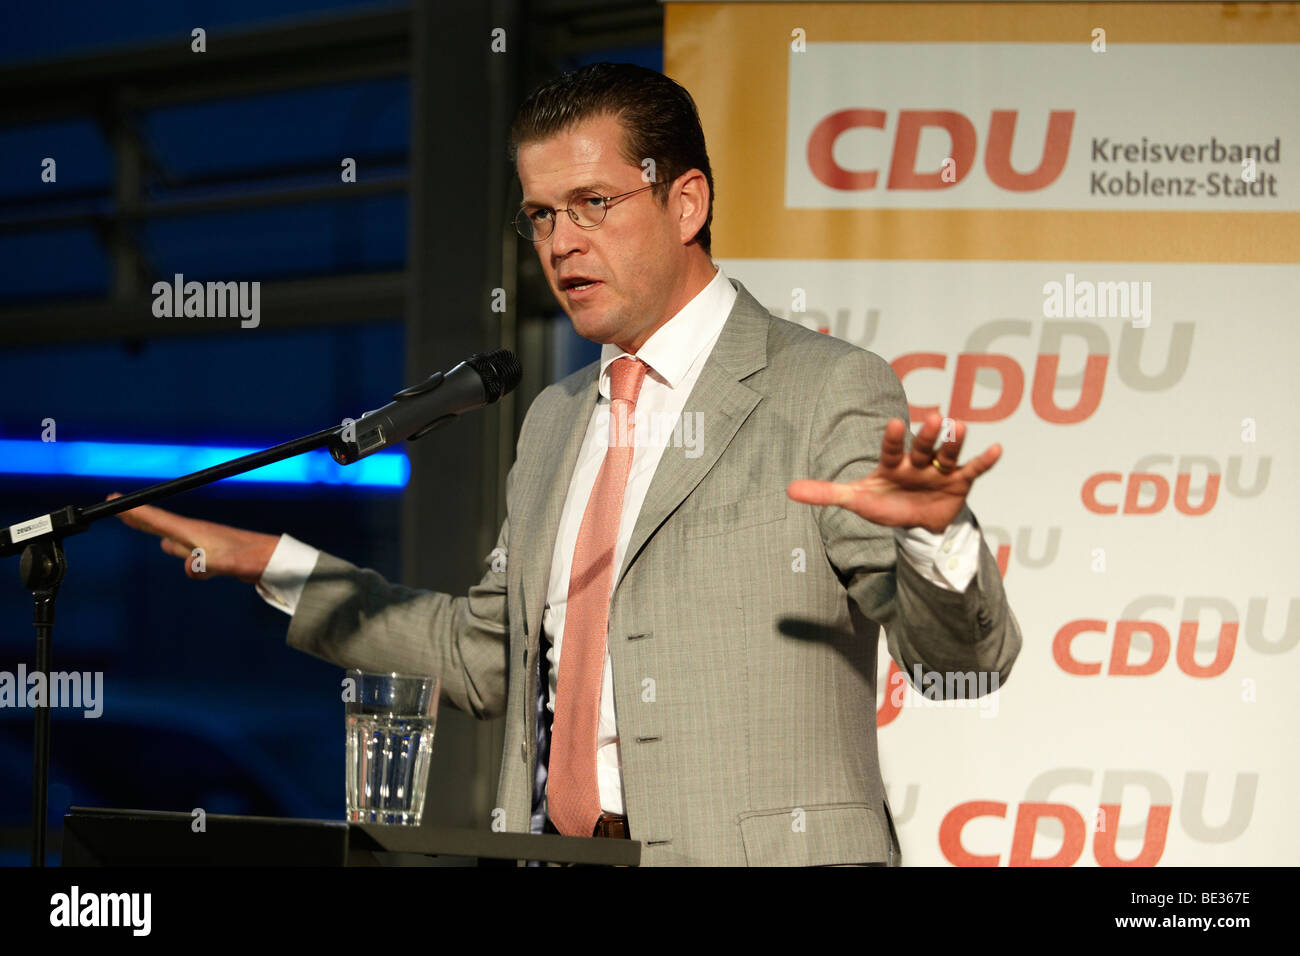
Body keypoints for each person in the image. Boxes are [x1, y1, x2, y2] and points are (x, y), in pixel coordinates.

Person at [113, 62, 1021, 866]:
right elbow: (481, 659)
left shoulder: (824, 387)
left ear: (687, 202)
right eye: (542, 214)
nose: (560, 242)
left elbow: (958, 663)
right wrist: (278, 568)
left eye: (593, 203)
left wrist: (939, 541)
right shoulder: (552, 419)